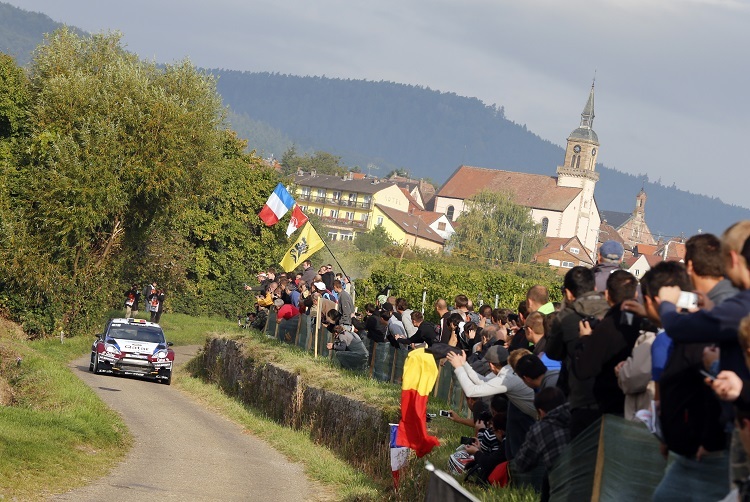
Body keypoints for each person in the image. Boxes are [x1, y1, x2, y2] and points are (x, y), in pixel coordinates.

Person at [545, 266, 609, 438]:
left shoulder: (566, 317)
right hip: (612, 398)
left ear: (568, 293)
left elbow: (552, 352)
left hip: (578, 397)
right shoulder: (613, 309)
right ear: (594, 288)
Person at [570, 269, 641, 417]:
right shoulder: (646, 324)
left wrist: (585, 339)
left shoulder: (608, 327)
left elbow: (583, 370)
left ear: (607, 295)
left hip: (609, 408)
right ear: (635, 294)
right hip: (640, 407)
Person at [446, 345, 536, 459]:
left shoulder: (507, 379)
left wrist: (458, 368)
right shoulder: (509, 370)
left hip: (532, 418)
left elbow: (471, 391)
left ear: (491, 365)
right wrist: (464, 365)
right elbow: (484, 383)